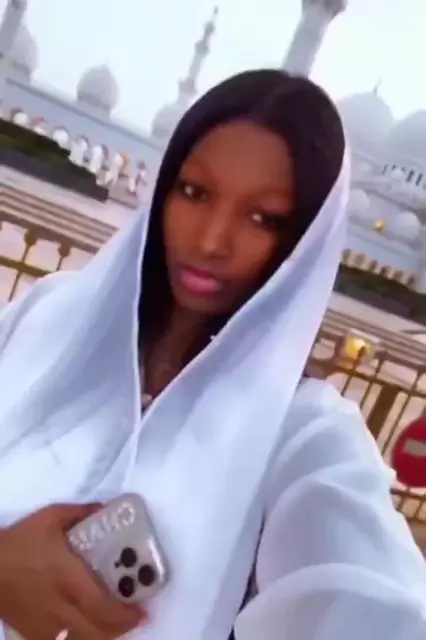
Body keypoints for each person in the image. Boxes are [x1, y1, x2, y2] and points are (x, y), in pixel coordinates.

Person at [0, 69, 425, 640]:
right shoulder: (46, 320)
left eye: (263, 218)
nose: (210, 241)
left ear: (303, 239)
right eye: (195, 193)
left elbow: (380, 606)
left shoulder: (300, 433)